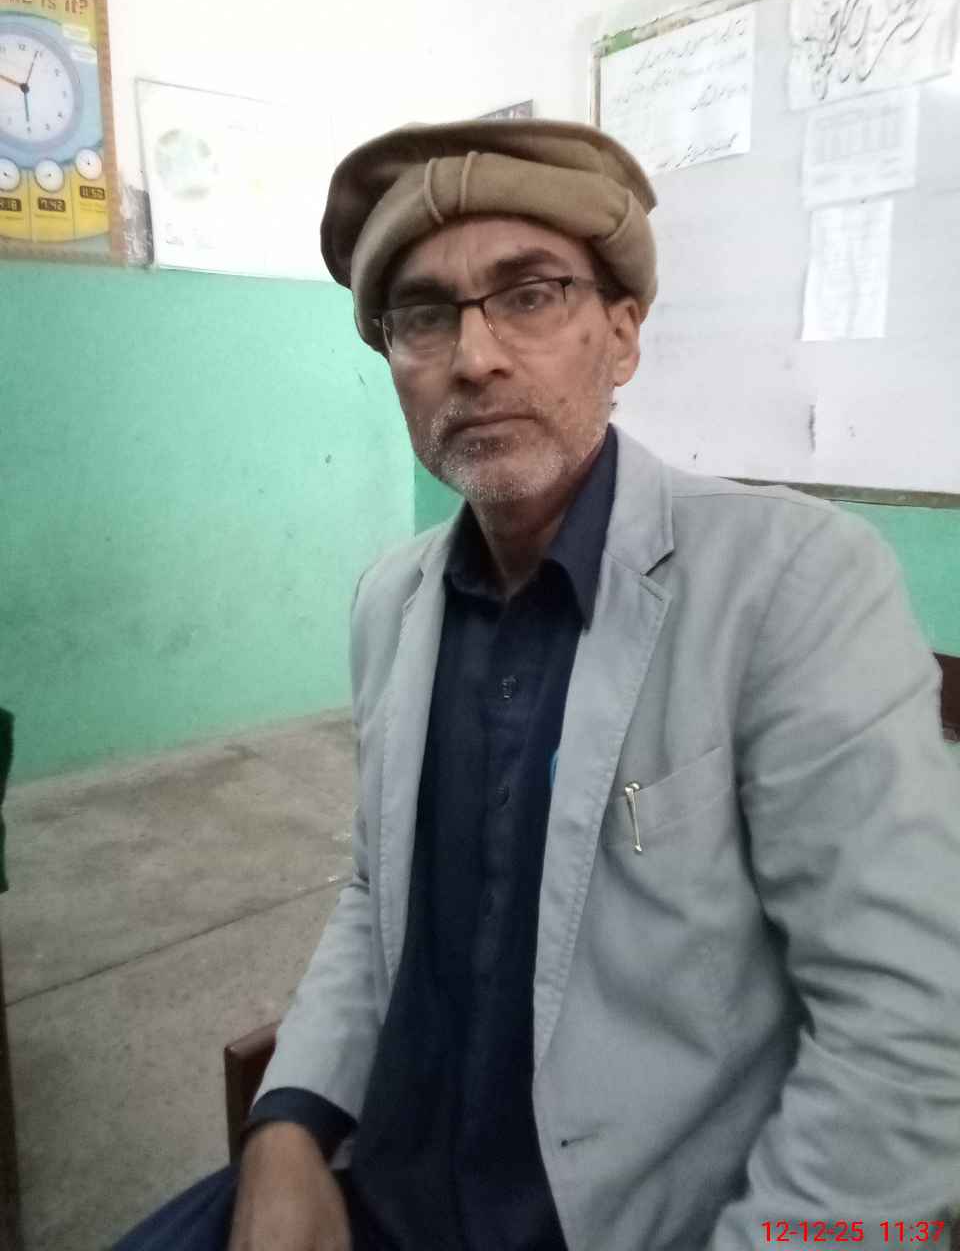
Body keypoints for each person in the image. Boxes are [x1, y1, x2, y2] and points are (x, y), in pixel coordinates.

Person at [115, 119, 960, 1251]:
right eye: (424, 315)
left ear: (622, 335)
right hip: (384, 1184)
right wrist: (289, 1120)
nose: (474, 358)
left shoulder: (794, 584)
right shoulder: (390, 601)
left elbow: (910, 1026)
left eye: (529, 295)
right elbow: (374, 894)